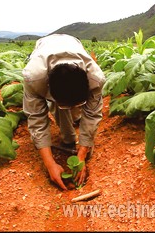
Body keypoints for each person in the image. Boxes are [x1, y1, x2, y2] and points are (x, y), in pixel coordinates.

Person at [22, 34, 106, 190]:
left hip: (73, 42)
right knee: (61, 109)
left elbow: (92, 114)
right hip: (44, 46)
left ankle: (72, 140)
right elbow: (36, 119)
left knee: (75, 115)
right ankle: (68, 139)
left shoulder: (96, 79)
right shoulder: (34, 78)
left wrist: (82, 154)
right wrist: (50, 164)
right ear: (49, 90)